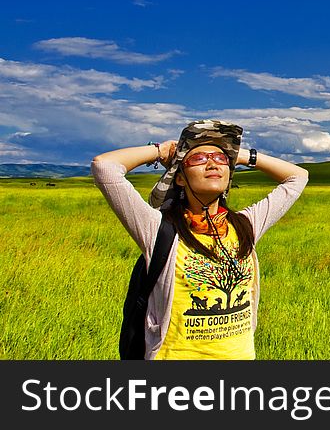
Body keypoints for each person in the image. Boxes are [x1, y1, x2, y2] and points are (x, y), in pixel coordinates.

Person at [91, 119, 308, 359]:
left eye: (221, 159)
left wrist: (241, 155)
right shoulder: (157, 229)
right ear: (180, 178)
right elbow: (105, 167)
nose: (213, 163)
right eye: (199, 159)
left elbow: (298, 176)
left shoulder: (246, 225)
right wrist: (162, 151)